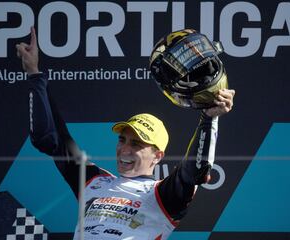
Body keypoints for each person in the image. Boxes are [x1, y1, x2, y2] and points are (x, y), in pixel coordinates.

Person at [16, 27, 235, 240]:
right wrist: (34, 73)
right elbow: (53, 138)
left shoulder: (162, 196)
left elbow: (193, 173)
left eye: (137, 144)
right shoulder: (94, 181)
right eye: (122, 140)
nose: (125, 149)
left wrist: (209, 118)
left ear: (158, 156)